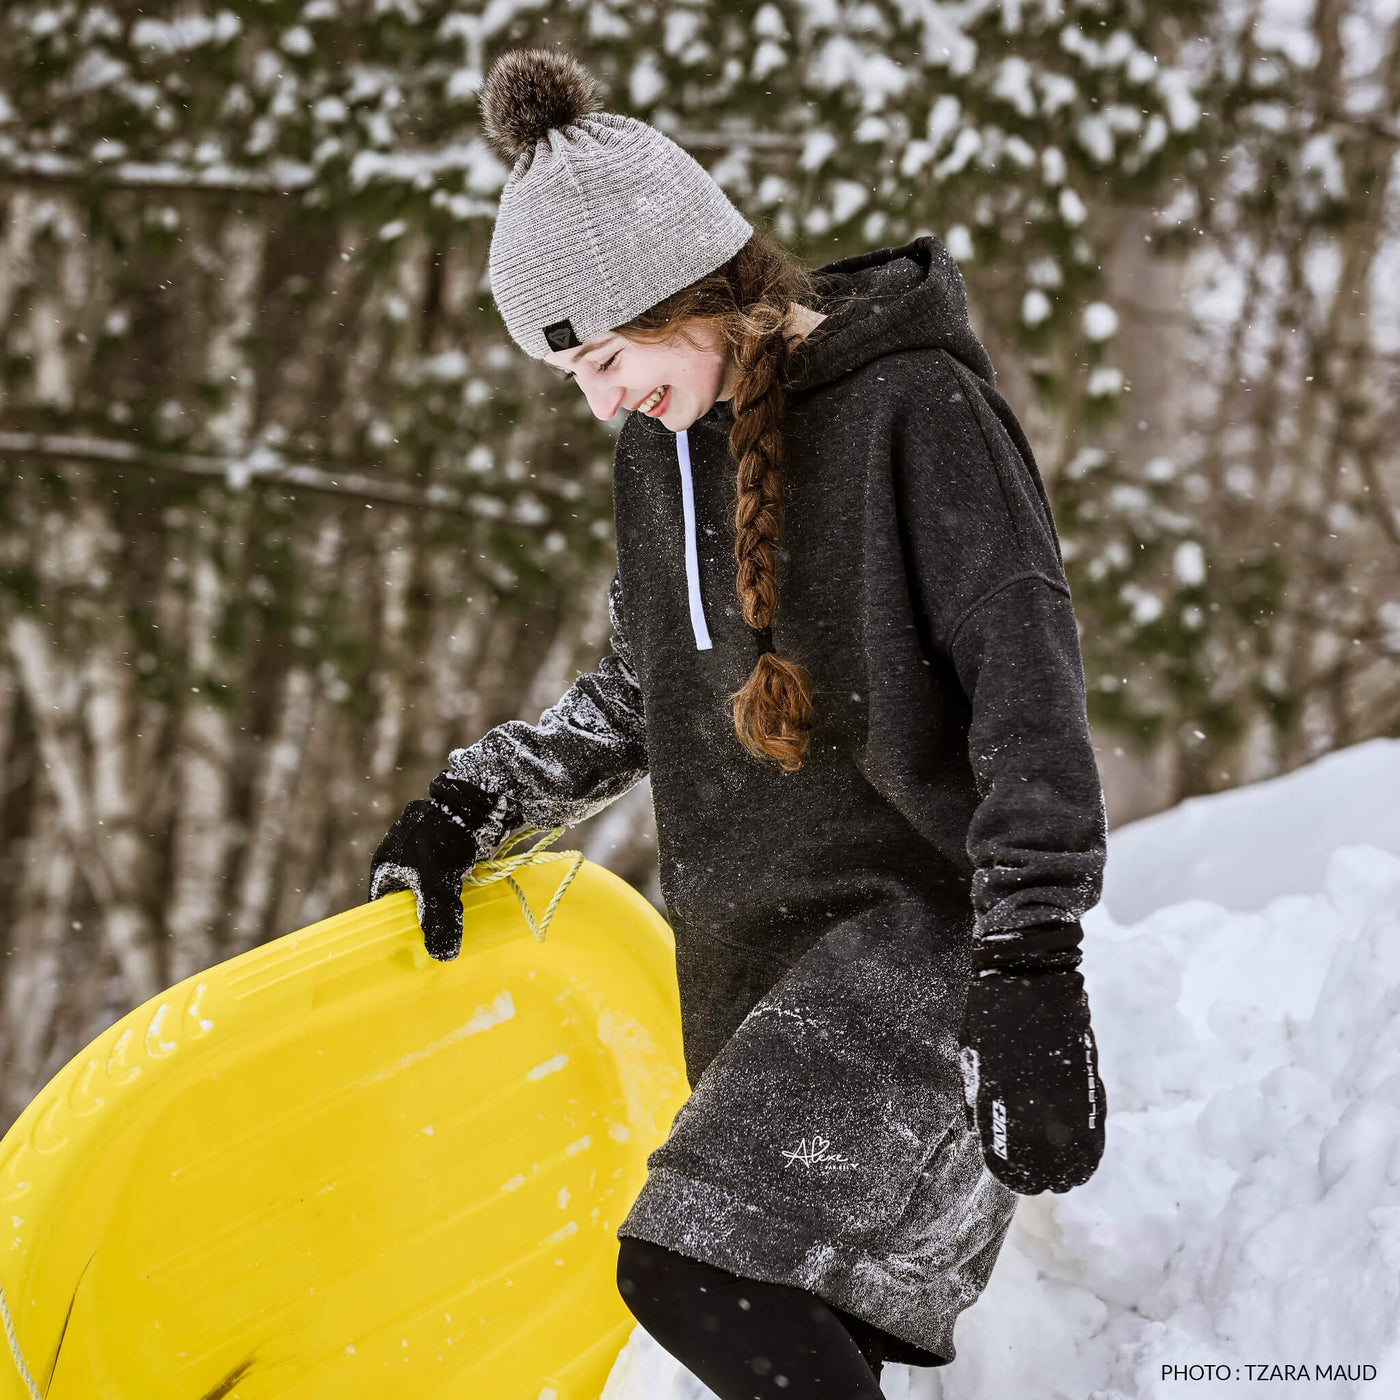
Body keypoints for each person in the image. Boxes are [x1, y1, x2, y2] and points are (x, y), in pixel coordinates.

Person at [369, 47, 1108, 1394]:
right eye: (576, 378)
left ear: (687, 292)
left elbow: (1028, 688)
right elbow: (647, 688)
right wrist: (474, 801)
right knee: (806, 1337)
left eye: (606, 357)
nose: (602, 401)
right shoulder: (665, 450)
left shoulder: (915, 409)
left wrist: (1034, 964)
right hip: (761, 987)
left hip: (920, 955)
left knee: (682, 1269)